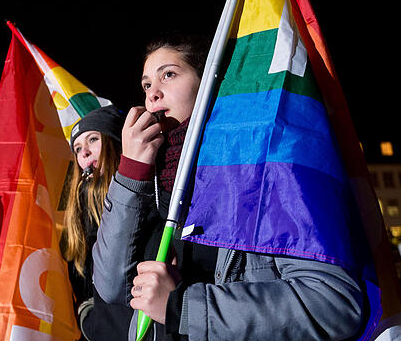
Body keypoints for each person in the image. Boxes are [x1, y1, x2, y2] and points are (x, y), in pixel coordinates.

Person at [92, 33, 364, 340]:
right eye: (146, 84)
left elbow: (331, 303)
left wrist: (181, 309)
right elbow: (111, 286)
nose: (153, 94)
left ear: (209, 81)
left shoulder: (259, 166)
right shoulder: (152, 181)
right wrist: (131, 173)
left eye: (168, 74)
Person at [63, 104, 132, 340]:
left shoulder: (143, 193)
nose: (84, 153)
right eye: (78, 148)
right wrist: (86, 314)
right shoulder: (80, 209)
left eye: (93, 139)